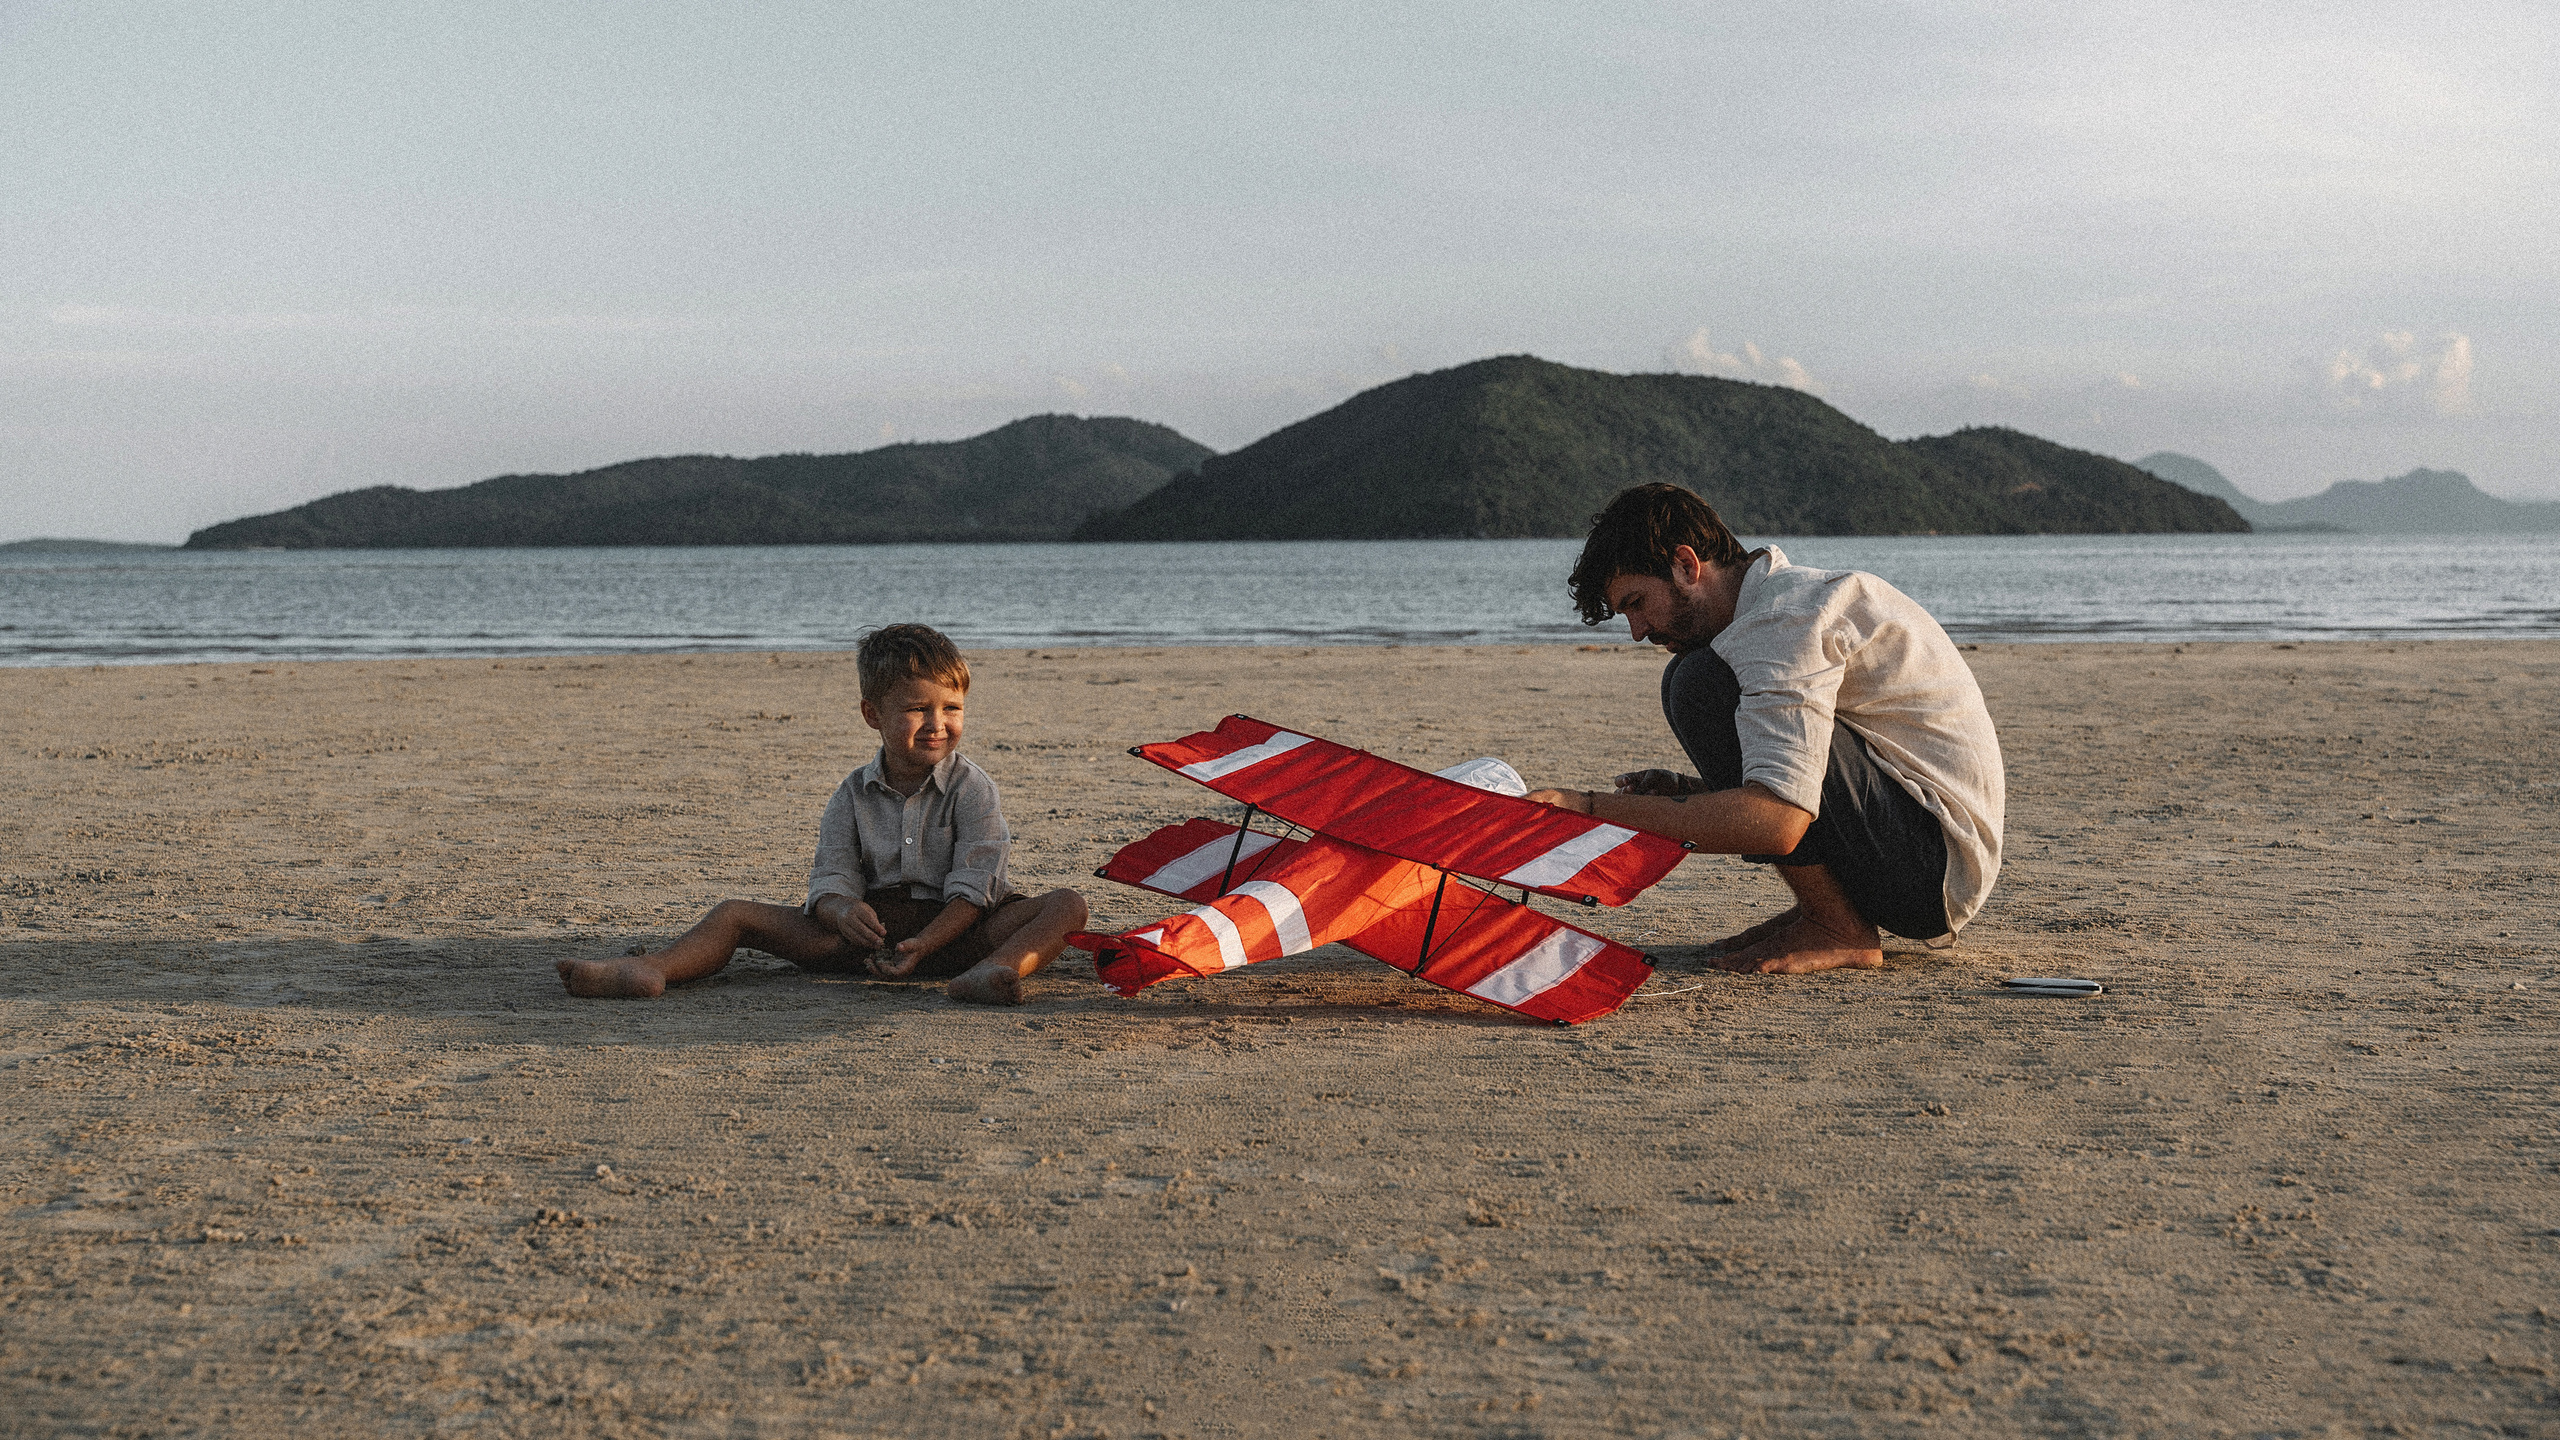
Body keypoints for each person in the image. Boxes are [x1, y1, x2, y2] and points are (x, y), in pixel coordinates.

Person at [1525, 484, 2004, 974]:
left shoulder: (1785, 620)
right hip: (1917, 851)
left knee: (1699, 683)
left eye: (1636, 602)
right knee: (1692, 678)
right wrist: (1700, 791)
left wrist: (1583, 808)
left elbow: (1778, 823)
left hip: (1929, 871)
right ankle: (1825, 913)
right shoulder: (1775, 609)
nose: (1637, 630)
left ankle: (1836, 926)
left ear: (1686, 566)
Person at [556, 623, 1087, 1004]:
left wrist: (927, 943)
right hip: (865, 938)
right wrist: (839, 912)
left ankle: (995, 973)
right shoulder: (852, 793)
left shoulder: (973, 790)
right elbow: (832, 875)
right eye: (916, 709)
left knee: (1065, 906)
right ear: (872, 715)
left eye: (952, 708)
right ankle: (650, 969)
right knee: (735, 913)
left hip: (960, 937)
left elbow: (976, 888)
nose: (937, 723)